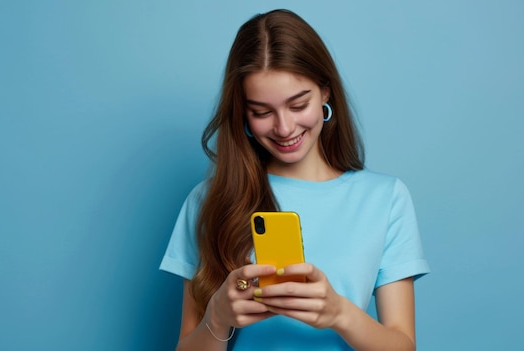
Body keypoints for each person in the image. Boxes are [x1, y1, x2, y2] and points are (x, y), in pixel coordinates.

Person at [160, 9, 430, 351]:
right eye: (261, 112)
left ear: (325, 93)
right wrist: (217, 317)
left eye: (298, 105)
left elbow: (403, 345)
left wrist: (339, 314)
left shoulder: (386, 198)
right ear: (242, 112)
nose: (284, 128)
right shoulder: (209, 201)